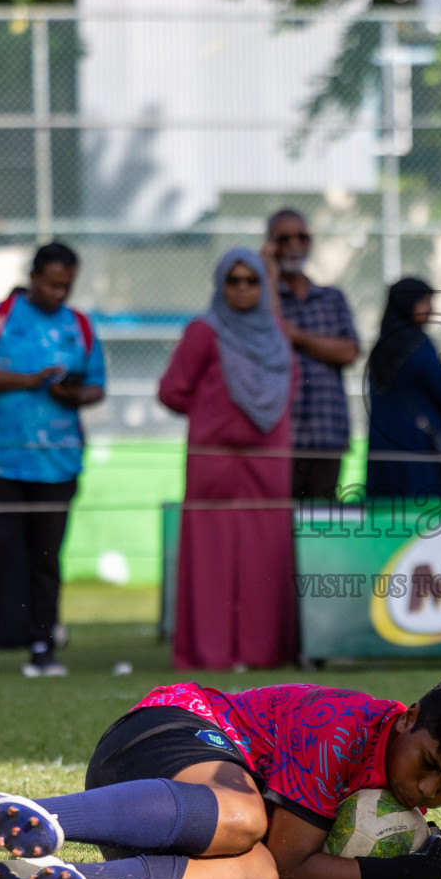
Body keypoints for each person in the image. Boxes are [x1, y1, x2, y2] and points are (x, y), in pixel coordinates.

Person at [0, 671, 441, 879]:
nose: (427, 789)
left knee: (257, 876)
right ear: (406, 717)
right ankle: (33, 813)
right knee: (246, 821)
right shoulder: (342, 731)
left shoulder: (403, 780)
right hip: (160, 732)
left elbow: (277, 875)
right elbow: (298, 870)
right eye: (428, 765)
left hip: (156, 819)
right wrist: (410, 874)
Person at [0, 244, 106, 677]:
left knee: (46, 557)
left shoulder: (80, 326)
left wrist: (73, 393)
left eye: (67, 285)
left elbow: (97, 386)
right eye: (52, 283)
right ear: (34, 276)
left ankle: (43, 646)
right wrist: (29, 381)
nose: (59, 292)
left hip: (58, 462)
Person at [158, 247, 297, 671]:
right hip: (214, 459)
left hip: (267, 459)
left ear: (263, 285)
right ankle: (210, 653)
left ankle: (262, 652)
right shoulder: (205, 332)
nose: (242, 290)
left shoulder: (276, 333)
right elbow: (172, 391)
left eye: (251, 281)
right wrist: (214, 414)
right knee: (210, 554)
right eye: (233, 281)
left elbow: (289, 388)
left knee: (265, 553)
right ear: (221, 285)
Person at [269, 210, 358, 502]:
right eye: (284, 239)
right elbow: (268, 340)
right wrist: (266, 274)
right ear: (271, 245)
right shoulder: (264, 299)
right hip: (282, 438)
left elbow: (349, 351)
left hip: (326, 432)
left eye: (301, 237)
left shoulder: (332, 298)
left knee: (322, 527)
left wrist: (299, 337)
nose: (294, 245)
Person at [365, 278, 441, 499]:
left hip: (384, 448)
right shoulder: (419, 345)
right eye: (424, 301)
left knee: (389, 518)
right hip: (420, 450)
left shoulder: (381, 347)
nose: (430, 309)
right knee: (428, 522)